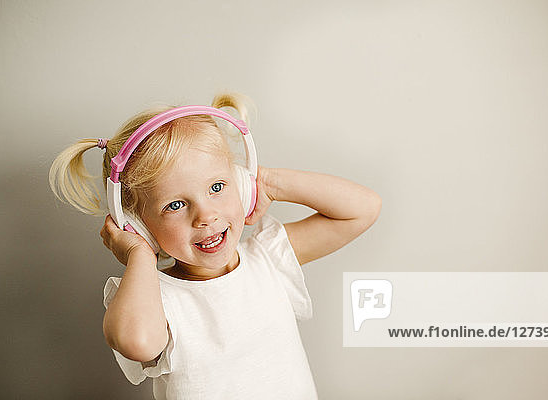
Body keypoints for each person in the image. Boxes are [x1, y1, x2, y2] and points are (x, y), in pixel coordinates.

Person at [48, 92, 382, 400]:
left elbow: (362, 209)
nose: (205, 215)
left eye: (218, 186)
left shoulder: (268, 258)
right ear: (138, 227)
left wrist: (267, 183)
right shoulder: (154, 298)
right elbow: (137, 342)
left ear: (240, 184)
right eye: (176, 205)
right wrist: (138, 255)